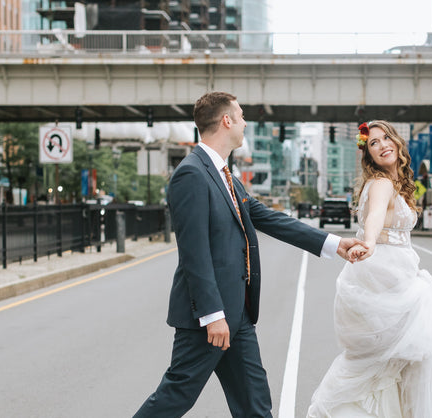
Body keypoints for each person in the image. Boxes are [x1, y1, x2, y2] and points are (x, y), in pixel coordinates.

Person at [134, 92, 363, 418]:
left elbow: (267, 217)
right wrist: (213, 315)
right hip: (210, 319)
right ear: (226, 120)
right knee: (176, 395)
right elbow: (193, 252)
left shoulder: (225, 175)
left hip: (236, 315)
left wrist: (332, 243)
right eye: (241, 116)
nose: (245, 123)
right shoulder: (192, 174)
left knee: (255, 403)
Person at [307, 120, 432, 417]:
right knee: (405, 360)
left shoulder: (391, 183)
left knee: (390, 364)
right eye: (373, 143)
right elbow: (374, 216)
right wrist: (370, 242)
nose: (382, 144)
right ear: (368, 155)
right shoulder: (383, 184)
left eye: (386, 137)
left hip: (391, 275)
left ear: (397, 142)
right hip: (385, 278)